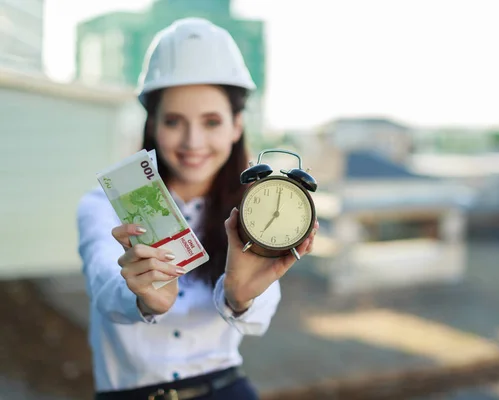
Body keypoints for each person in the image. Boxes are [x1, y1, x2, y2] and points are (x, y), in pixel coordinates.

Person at [77, 17, 318, 400]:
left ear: (237, 125)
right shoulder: (101, 205)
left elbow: (260, 308)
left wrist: (241, 297)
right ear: (152, 124)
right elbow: (103, 281)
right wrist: (141, 296)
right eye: (174, 121)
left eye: (211, 122)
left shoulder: (255, 209)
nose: (193, 141)